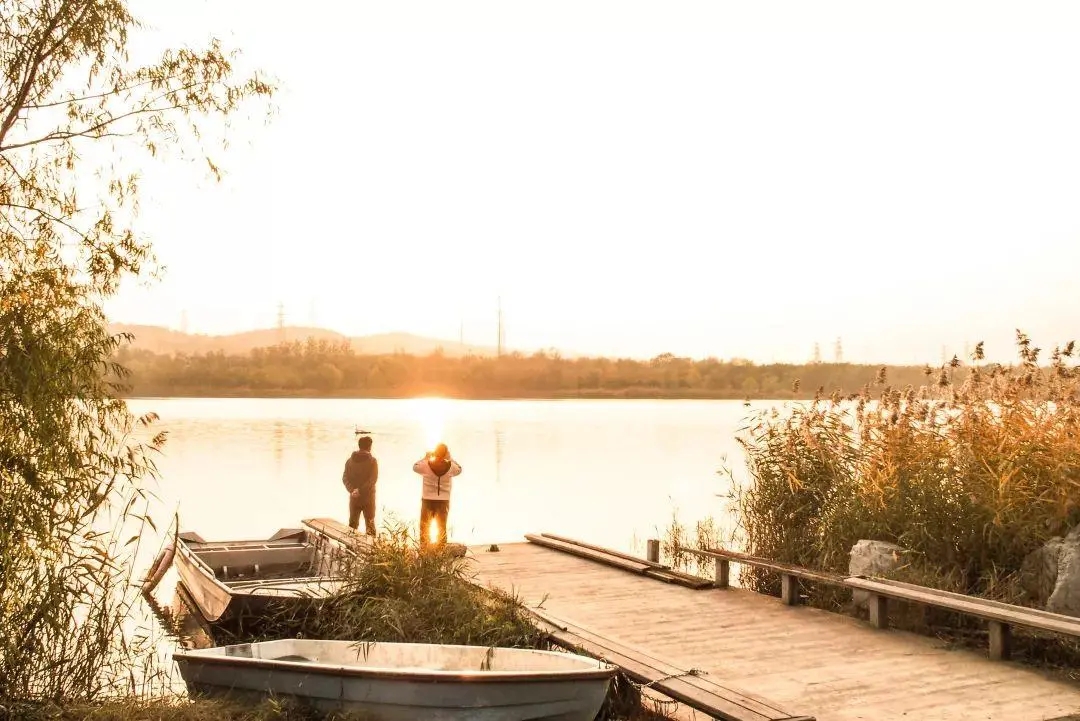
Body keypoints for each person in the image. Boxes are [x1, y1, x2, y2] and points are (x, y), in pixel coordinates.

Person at [412, 442, 462, 549]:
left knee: (425, 527)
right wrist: (450, 458)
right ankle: (441, 551)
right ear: (446, 454)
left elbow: (415, 467)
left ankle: (424, 550)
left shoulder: (426, 465)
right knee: (441, 527)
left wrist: (426, 458)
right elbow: (459, 469)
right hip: (443, 501)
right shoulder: (451, 467)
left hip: (427, 500)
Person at [342, 434, 379, 535]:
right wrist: (360, 490)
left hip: (354, 498)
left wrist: (352, 490)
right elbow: (372, 480)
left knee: (352, 525)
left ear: (359, 446)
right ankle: (371, 550)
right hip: (368, 499)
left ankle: (349, 549)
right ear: (369, 447)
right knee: (370, 526)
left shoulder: (349, 461)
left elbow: (345, 478)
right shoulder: (372, 461)